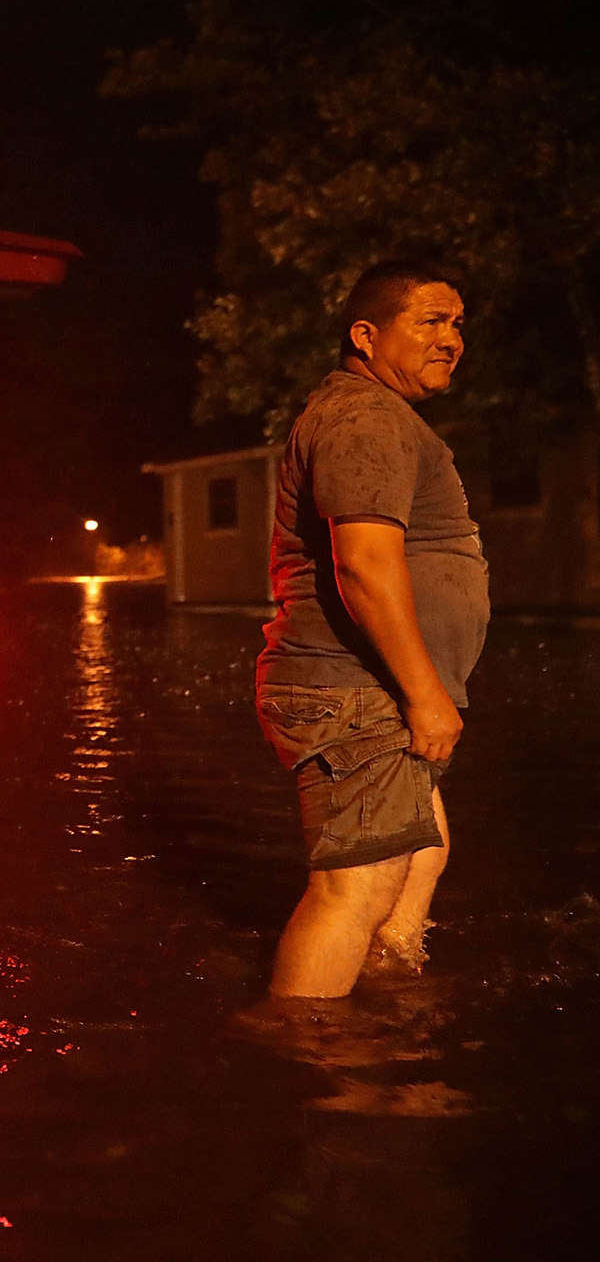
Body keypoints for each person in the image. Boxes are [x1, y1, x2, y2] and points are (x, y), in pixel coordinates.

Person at [255, 259, 489, 999]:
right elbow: (361, 562)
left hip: (380, 693)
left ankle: (390, 1002)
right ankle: (311, 1061)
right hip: (355, 690)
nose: (450, 338)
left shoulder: (385, 418)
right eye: (429, 321)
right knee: (353, 889)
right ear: (366, 334)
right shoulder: (365, 416)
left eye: (457, 325)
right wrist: (424, 696)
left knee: (422, 853)